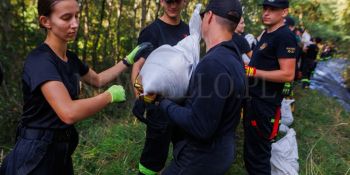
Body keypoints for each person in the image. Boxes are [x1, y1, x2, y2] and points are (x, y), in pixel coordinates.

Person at [0, 0, 150, 174]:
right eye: (66, 18)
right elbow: (68, 112)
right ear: (45, 21)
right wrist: (108, 97)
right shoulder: (40, 61)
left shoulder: (70, 58)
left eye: (77, 16)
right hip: (35, 155)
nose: (75, 24)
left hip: (61, 151)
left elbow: (98, 79)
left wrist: (127, 60)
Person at [155, 0, 245, 174]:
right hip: (221, 154)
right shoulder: (235, 59)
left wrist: (162, 102)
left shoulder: (213, 64)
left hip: (199, 160)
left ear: (209, 17)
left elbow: (200, 126)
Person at [131, 0, 189, 174]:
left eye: (177, 1)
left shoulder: (188, 31)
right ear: (162, 1)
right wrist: (141, 97)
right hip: (159, 106)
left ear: (185, 2)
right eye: (168, 1)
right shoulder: (151, 31)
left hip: (184, 106)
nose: (173, 5)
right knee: (153, 159)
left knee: (186, 152)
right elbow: (137, 67)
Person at [243, 0, 297, 174]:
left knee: (259, 156)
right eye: (265, 8)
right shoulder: (267, 34)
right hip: (254, 100)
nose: (266, 12)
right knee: (251, 151)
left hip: (265, 105)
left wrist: (253, 72)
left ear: (284, 12)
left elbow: (288, 74)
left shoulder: (285, 37)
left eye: (272, 9)